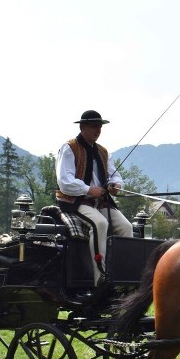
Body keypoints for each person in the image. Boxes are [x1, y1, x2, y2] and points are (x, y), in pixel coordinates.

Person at [55, 110, 134, 285]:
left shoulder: (103, 152)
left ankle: (121, 276)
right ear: (82, 127)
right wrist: (89, 190)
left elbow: (115, 176)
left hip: (100, 202)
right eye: (93, 126)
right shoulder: (70, 147)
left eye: (99, 127)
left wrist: (116, 186)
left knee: (126, 227)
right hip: (75, 201)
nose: (97, 130)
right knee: (99, 224)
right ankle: (101, 278)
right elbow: (64, 181)